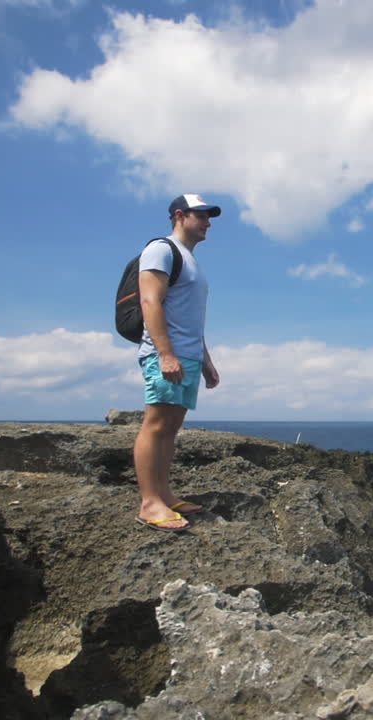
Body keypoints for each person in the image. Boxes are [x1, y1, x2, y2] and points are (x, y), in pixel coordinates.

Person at [133, 194, 222, 531]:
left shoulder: (191, 260)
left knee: (170, 428)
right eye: (201, 216)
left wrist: (204, 359)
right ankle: (149, 502)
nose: (208, 222)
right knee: (156, 425)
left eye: (209, 216)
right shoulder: (160, 250)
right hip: (166, 353)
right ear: (180, 216)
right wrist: (165, 353)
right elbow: (149, 301)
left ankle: (164, 495)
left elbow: (190, 318)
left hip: (186, 354)